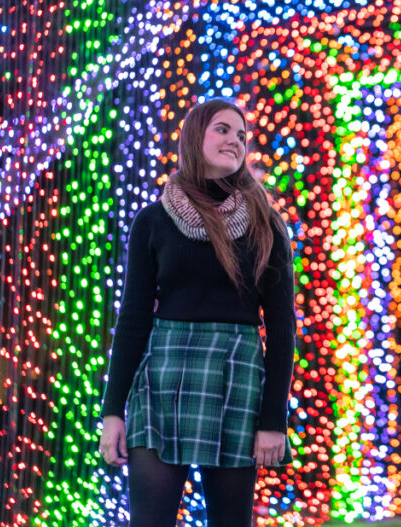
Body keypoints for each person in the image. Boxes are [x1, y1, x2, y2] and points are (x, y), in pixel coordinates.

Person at [98, 99, 296, 527]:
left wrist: (273, 421)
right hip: (161, 380)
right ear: (194, 137)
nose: (235, 141)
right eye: (223, 130)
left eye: (242, 136)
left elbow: (282, 332)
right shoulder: (153, 221)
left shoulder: (266, 224)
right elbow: (132, 320)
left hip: (235, 378)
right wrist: (112, 411)